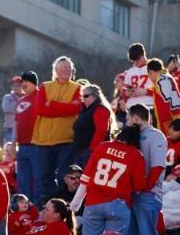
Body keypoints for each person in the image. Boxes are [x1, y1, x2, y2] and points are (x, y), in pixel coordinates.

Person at [70, 124, 146, 235]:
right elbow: (140, 186)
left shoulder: (103, 147)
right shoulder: (135, 154)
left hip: (93, 204)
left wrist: (76, 203)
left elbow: (86, 177)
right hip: (117, 205)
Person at [124, 103, 168, 235]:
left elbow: (157, 167)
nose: (126, 122)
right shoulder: (133, 136)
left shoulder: (155, 136)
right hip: (133, 193)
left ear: (135, 118)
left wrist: (145, 188)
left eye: (128, 118)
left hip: (148, 195)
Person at [31, 56, 82, 203]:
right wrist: (64, 108)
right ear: (56, 70)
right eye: (64, 67)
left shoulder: (77, 88)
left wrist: (52, 104)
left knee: (64, 176)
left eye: (69, 67)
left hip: (66, 139)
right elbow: (40, 109)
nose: (68, 70)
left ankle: (63, 206)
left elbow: (75, 108)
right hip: (43, 140)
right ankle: (48, 206)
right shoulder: (45, 86)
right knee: (44, 177)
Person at [71, 84, 113, 170]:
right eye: (82, 96)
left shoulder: (100, 109)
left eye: (86, 96)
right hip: (81, 152)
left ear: (95, 96)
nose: (83, 99)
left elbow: (101, 132)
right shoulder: (85, 110)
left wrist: (92, 150)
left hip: (91, 153)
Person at [14, 71, 39, 202]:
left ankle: (37, 208)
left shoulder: (40, 96)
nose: (23, 84)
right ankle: (24, 208)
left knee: (37, 179)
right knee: (23, 180)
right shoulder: (20, 101)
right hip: (22, 146)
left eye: (26, 81)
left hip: (37, 145)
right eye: (22, 82)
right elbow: (16, 122)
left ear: (34, 83)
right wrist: (14, 143)